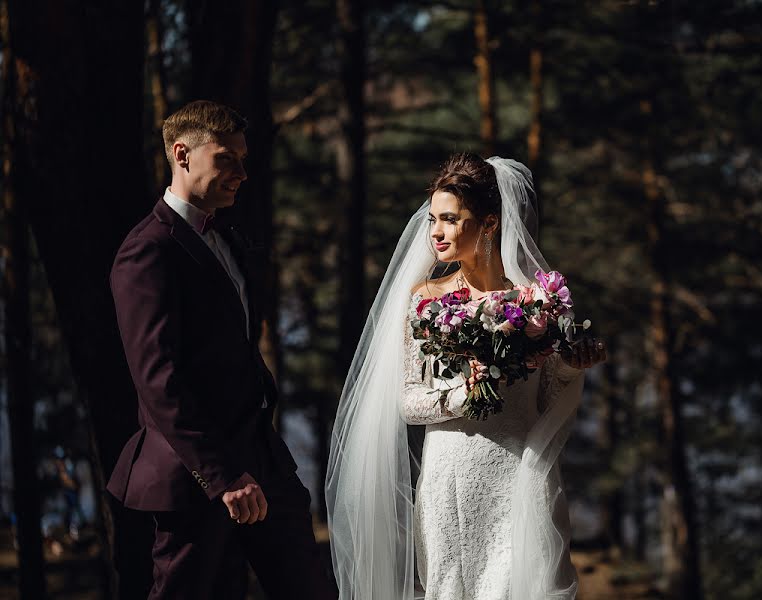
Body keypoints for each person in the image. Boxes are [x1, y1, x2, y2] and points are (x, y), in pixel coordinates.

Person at [326, 152, 606, 600]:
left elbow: (546, 396)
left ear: (490, 222)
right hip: (448, 479)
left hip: (520, 473)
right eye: (433, 218)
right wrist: (466, 394)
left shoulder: (538, 303)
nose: (435, 231)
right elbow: (408, 401)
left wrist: (573, 364)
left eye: (451, 219)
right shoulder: (424, 300)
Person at [107, 100, 336, 600]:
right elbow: (157, 379)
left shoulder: (227, 238)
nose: (241, 173)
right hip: (197, 475)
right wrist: (222, 474)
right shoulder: (147, 251)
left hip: (263, 460)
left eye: (243, 159)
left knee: (312, 589)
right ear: (182, 154)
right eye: (226, 159)